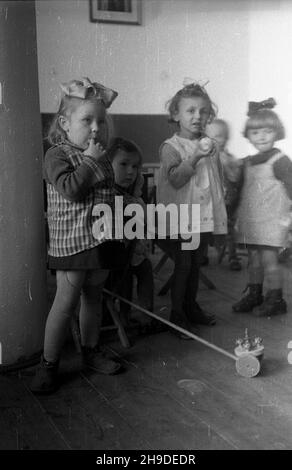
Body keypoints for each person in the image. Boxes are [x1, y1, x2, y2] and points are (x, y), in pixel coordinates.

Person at [30, 77, 123, 394]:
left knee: (94, 299)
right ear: (64, 123)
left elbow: (108, 194)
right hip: (71, 244)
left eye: (101, 121)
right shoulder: (57, 155)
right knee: (64, 304)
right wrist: (90, 161)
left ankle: (91, 351)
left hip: (101, 241)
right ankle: (49, 364)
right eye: (87, 120)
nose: (96, 127)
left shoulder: (100, 154)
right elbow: (70, 189)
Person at [157, 81, 227, 339]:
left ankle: (191, 306)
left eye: (203, 111)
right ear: (176, 114)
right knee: (184, 265)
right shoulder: (170, 147)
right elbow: (176, 179)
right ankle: (177, 313)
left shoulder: (211, 144)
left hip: (201, 217)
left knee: (196, 264)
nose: (198, 116)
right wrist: (196, 156)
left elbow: (215, 180)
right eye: (190, 111)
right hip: (180, 218)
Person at [232, 98, 292, 316]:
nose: (262, 137)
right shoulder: (247, 162)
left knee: (269, 260)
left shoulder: (280, 160)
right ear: (248, 135)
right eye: (256, 133)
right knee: (254, 261)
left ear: (277, 132)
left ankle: (276, 298)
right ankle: (254, 294)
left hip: (272, 221)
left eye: (268, 131)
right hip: (252, 221)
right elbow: (240, 192)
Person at [106, 137, 162, 333]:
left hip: (135, 251)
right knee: (126, 275)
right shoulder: (107, 194)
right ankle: (123, 316)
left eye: (135, 166)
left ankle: (148, 315)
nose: (131, 171)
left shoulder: (134, 195)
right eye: (123, 164)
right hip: (115, 256)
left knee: (145, 270)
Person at [206, 119, 243, 270]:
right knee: (204, 228)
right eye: (211, 137)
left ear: (226, 138)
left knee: (228, 230)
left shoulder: (228, 158)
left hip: (226, 201)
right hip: (208, 201)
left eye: (220, 136)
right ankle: (202, 254)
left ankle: (232, 257)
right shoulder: (203, 158)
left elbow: (235, 179)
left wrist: (233, 167)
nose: (215, 140)